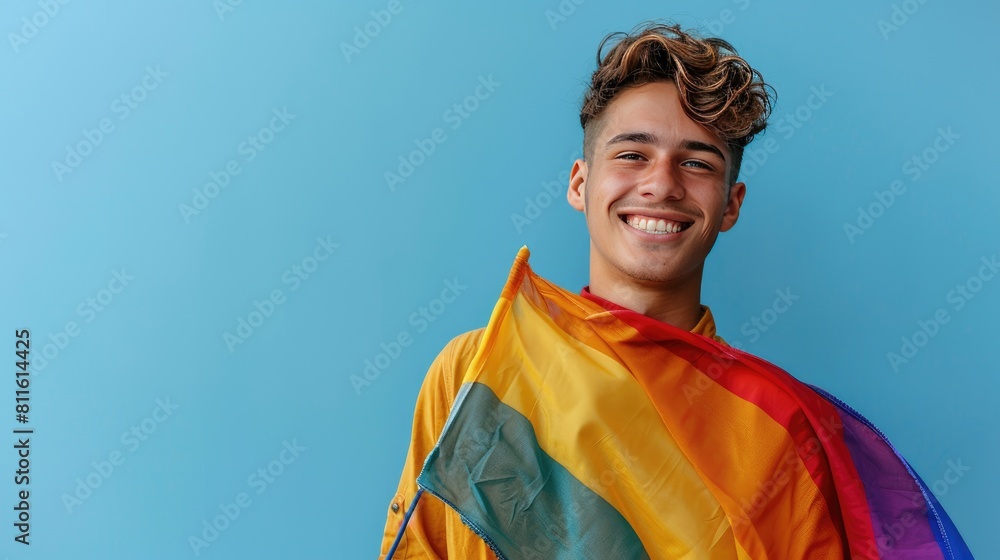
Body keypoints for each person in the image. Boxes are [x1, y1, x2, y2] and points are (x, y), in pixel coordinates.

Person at [378, 21, 971, 559]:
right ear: (580, 183)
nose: (661, 185)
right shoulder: (476, 373)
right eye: (632, 154)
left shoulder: (781, 434)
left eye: (698, 163)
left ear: (731, 205)